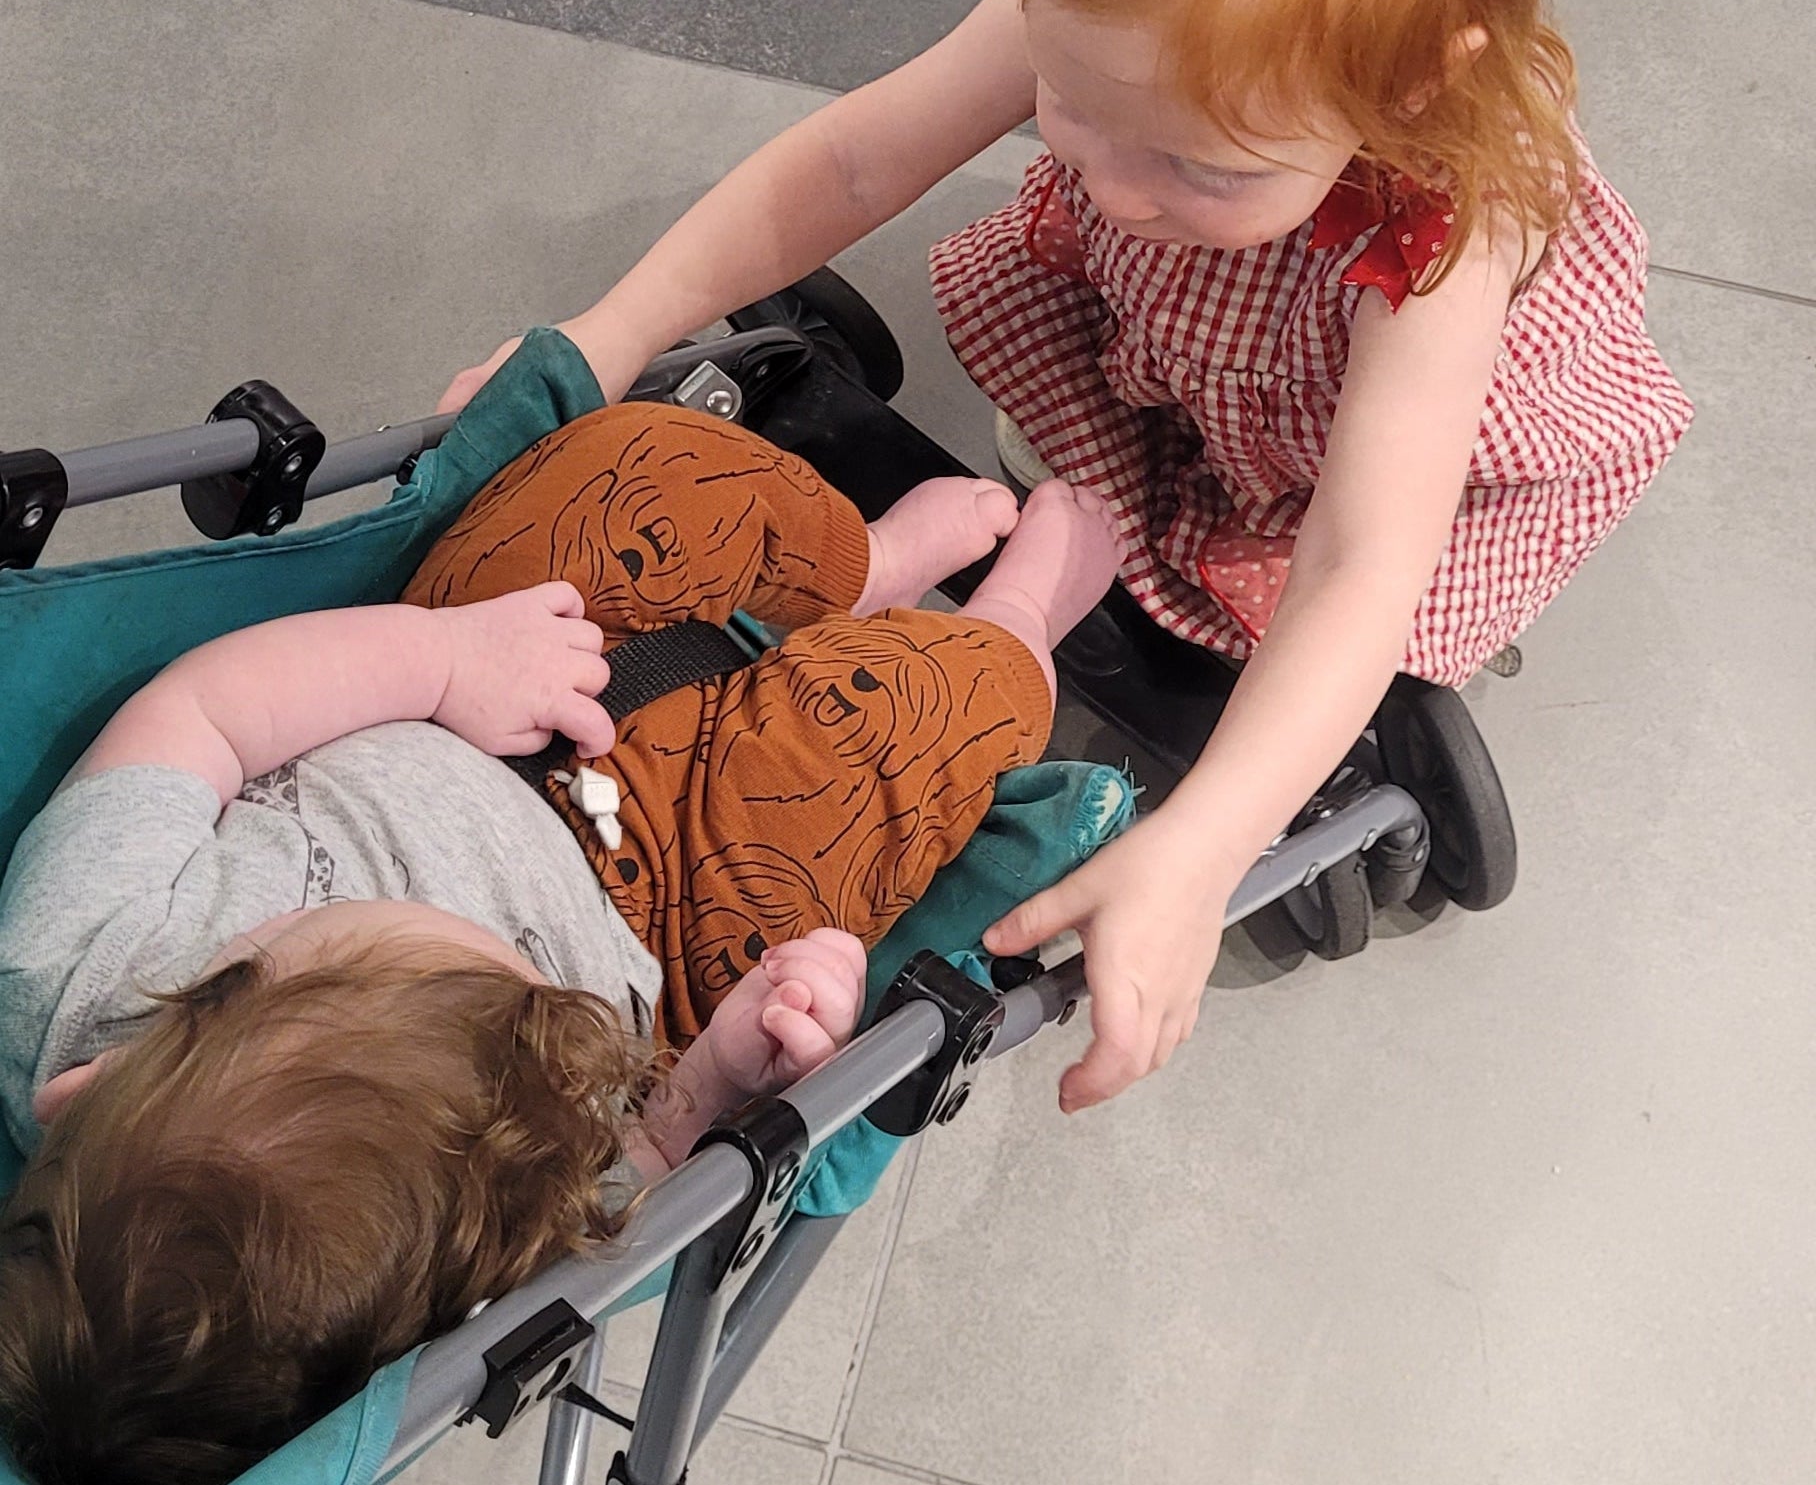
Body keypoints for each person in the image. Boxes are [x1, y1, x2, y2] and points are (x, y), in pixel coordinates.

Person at [441, 0, 1694, 1116]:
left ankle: (1230, 607)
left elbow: (1364, 557)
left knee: (1349, 599)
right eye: (1075, 106)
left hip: (1370, 440)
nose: (1102, 179)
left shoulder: (1440, 223)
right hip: (1190, 334)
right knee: (1088, 373)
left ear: (1408, 85)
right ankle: (1138, 458)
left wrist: (1207, 842)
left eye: (1201, 164)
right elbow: (849, 164)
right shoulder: (1114, 20)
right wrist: (606, 335)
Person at [0, 402, 1124, 1485]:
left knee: (629, 471)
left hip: (477, 681)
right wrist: (724, 1068)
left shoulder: (69, 970)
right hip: (683, 909)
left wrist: (441, 655)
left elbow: (196, 711)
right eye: (516, 993)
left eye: (320, 927)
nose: (502, 945)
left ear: (87, 1085)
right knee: (902, 725)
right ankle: (1015, 620)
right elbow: (642, 1166)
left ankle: (856, 563)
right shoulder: (461, 1274)